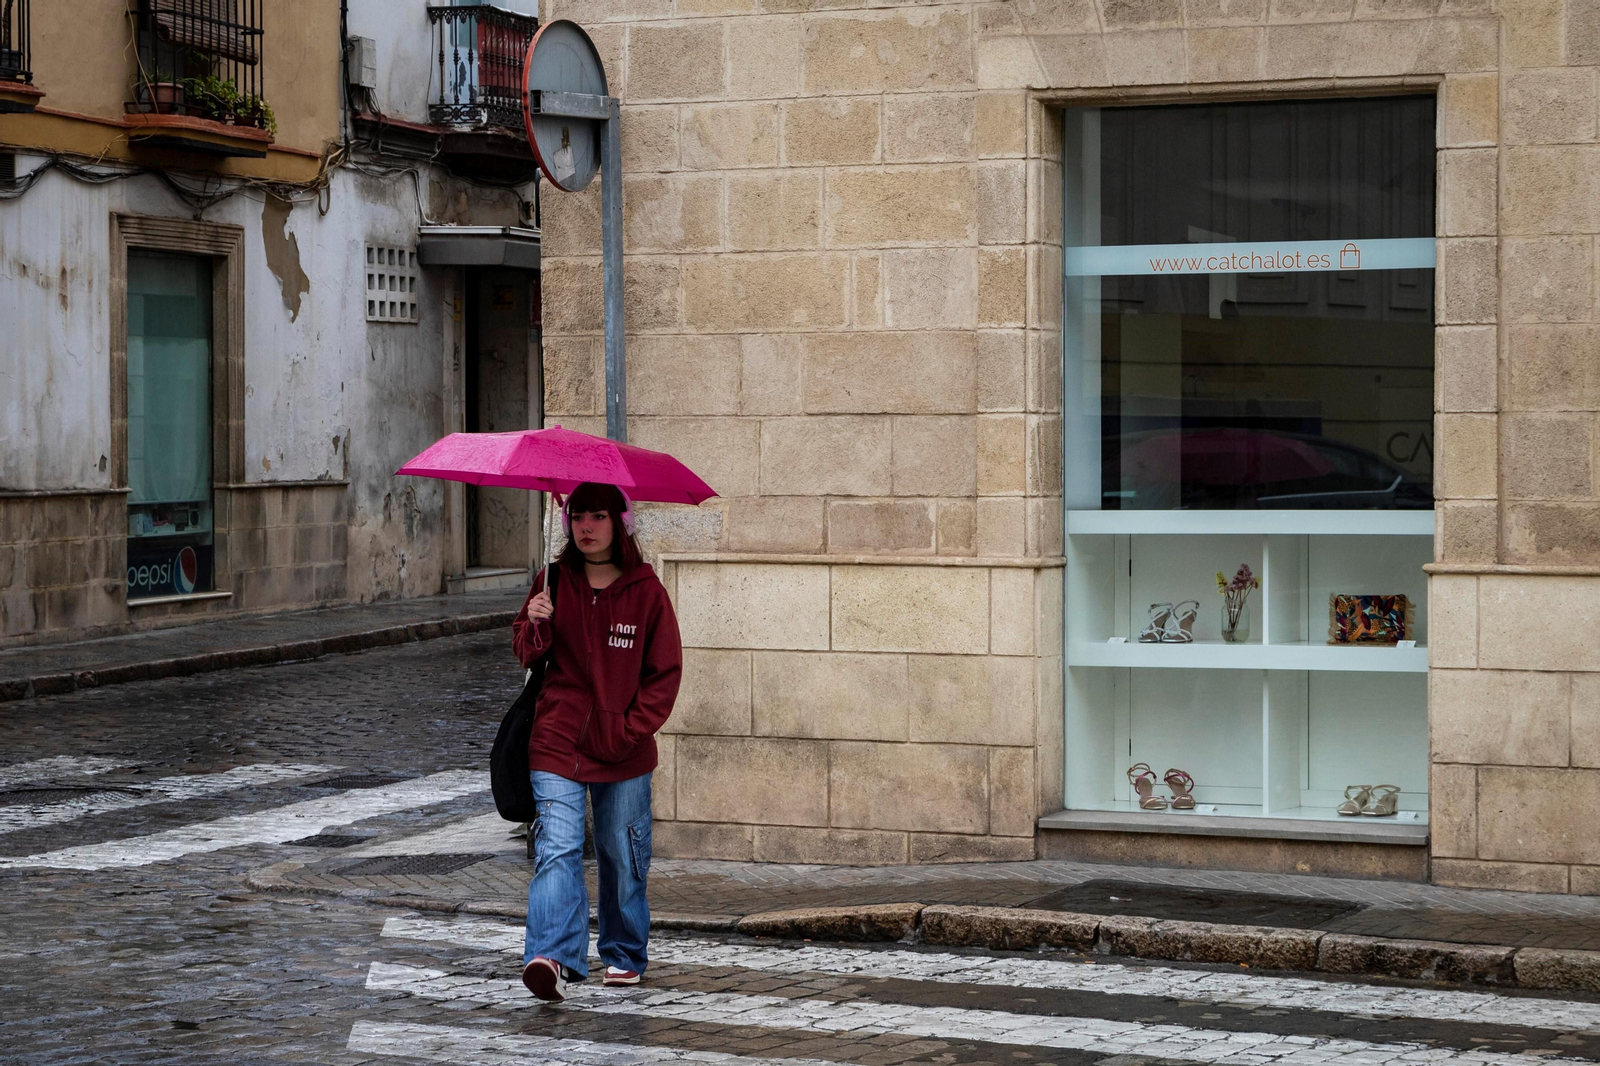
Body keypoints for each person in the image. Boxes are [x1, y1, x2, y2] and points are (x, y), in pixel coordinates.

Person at [510, 481, 682, 1002]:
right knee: (557, 849)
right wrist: (534, 624)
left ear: (618, 523)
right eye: (578, 516)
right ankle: (551, 957)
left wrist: (629, 729)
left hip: (624, 749)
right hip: (557, 740)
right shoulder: (553, 580)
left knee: (621, 854)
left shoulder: (646, 591)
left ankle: (624, 951)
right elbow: (525, 652)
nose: (586, 526)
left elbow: (665, 674)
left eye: (597, 516)